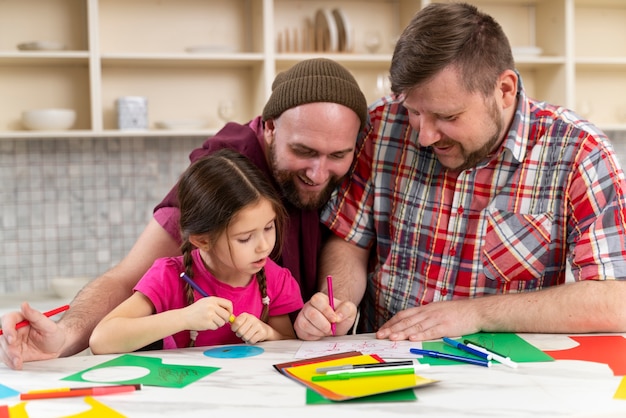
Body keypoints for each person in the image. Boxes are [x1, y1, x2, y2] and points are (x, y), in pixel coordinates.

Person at [0, 58, 368, 368]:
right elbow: (130, 277)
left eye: (337, 155)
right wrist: (63, 337)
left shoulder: (357, 168)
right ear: (270, 127)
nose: (318, 173)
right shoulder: (224, 178)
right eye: (303, 151)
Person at [294, 2, 626, 342]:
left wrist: (476, 313)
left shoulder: (579, 152)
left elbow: (614, 299)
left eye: (448, 117)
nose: (423, 135)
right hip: (385, 361)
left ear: (505, 90)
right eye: (414, 111)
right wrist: (337, 304)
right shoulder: (382, 124)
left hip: (505, 371)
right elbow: (350, 241)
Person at [89, 149, 303, 353]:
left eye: (268, 227)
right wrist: (184, 318)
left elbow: (289, 344)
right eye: (245, 238)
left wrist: (268, 333)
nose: (264, 246)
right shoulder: (169, 276)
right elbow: (101, 339)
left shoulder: (273, 278)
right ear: (202, 240)